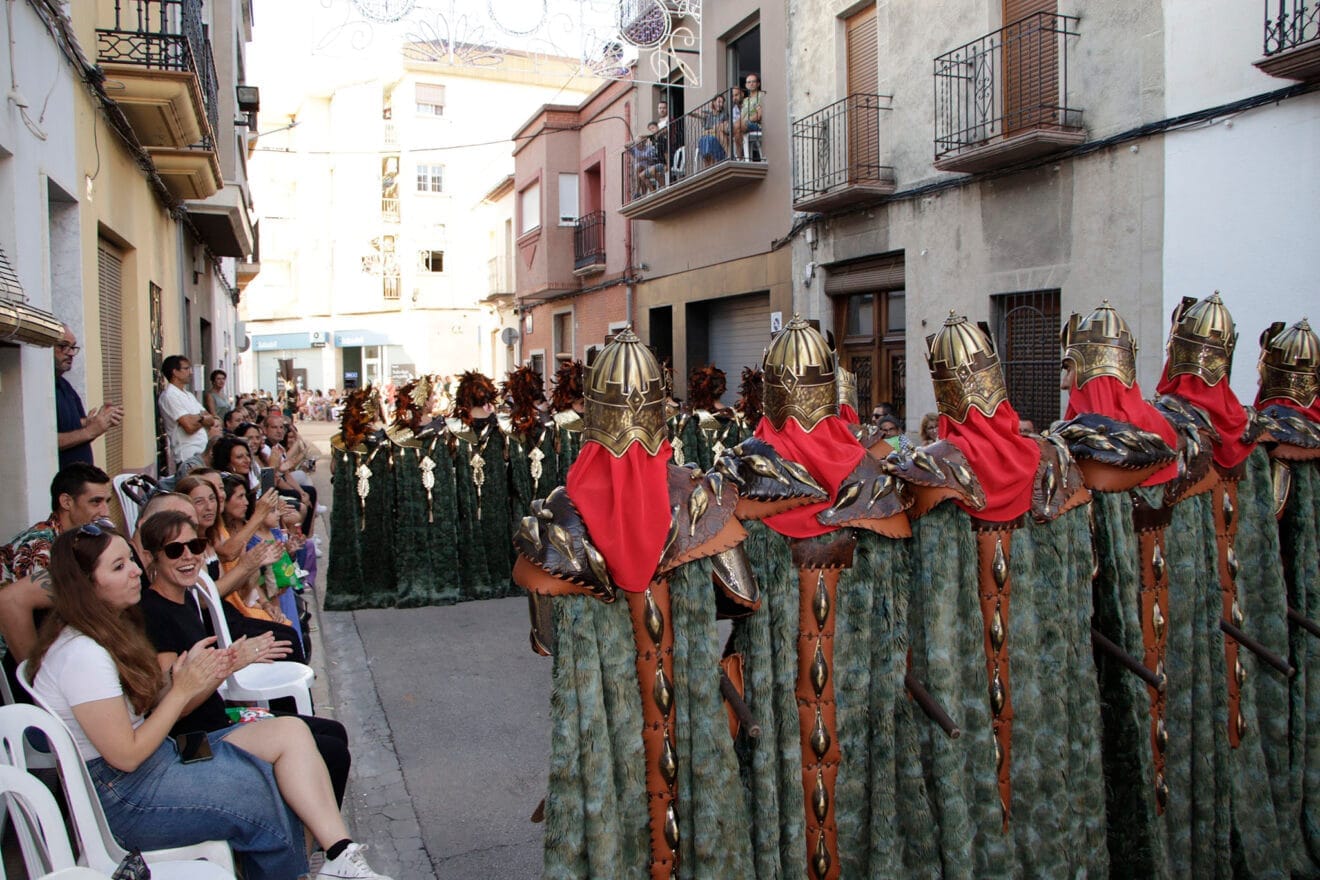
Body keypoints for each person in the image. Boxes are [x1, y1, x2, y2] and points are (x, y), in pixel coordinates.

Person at [26, 524, 389, 880]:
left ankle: (339, 856)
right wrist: (183, 690)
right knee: (264, 792)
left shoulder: (103, 632)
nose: (137, 571)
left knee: (290, 732)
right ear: (85, 586)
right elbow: (126, 755)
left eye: (131, 561)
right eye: (119, 567)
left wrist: (181, 682)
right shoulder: (82, 655)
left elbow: (139, 714)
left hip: (156, 760)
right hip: (126, 794)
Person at [0, 464, 113, 667]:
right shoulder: (39, 548)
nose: (105, 511)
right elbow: (46, 620)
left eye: (107, 502)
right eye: (96, 502)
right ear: (66, 502)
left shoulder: (77, 540)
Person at [54, 325, 123, 468]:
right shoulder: (41, 390)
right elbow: (43, 442)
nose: (71, 353)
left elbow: (71, 427)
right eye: (63, 346)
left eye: (73, 347)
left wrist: (93, 421)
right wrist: (89, 431)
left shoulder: (65, 386)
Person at [158, 355, 217, 471]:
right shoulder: (170, 395)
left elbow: (211, 419)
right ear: (175, 372)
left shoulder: (188, 395)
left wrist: (198, 418)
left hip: (202, 452)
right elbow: (189, 427)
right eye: (186, 369)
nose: (190, 372)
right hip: (187, 455)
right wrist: (201, 417)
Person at [697, 93, 730, 169]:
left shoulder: (724, 115)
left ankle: (713, 166)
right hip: (707, 137)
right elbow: (693, 114)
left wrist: (711, 131)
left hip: (719, 139)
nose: (720, 104)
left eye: (722, 102)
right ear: (714, 103)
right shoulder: (708, 115)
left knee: (710, 139)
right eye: (719, 102)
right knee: (704, 140)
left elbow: (723, 128)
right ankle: (708, 167)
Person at [735, 72, 763, 152]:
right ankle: (736, 156)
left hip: (756, 125)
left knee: (736, 126)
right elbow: (741, 116)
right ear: (746, 85)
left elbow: (759, 115)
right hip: (744, 124)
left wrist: (746, 120)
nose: (751, 84)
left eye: (753, 82)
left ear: (758, 84)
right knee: (727, 128)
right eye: (749, 82)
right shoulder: (745, 100)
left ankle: (738, 156)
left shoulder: (761, 96)